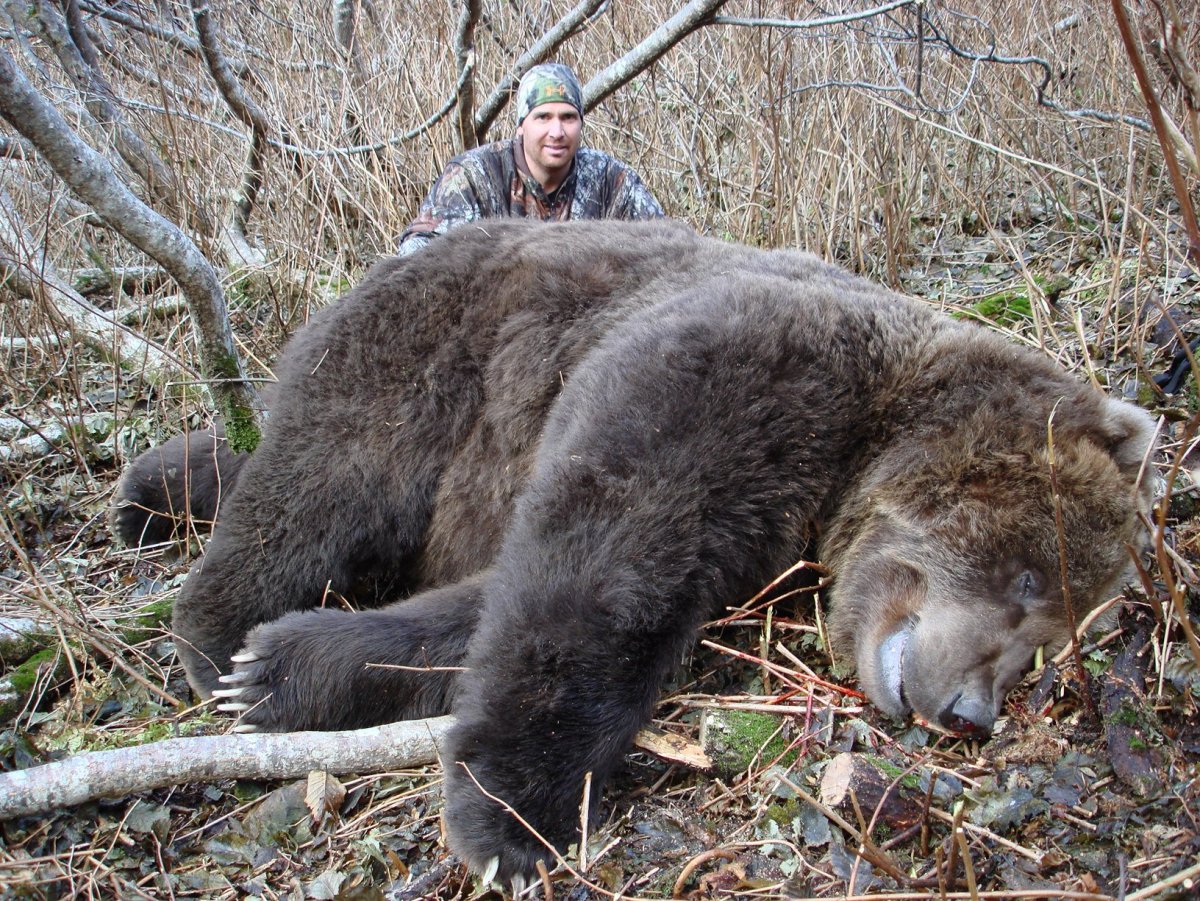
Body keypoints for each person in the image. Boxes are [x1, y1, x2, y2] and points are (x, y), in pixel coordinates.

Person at [397, 63, 664, 254]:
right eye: (543, 117)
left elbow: (665, 243)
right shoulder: (475, 176)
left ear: (580, 123)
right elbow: (420, 249)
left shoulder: (611, 181)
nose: (557, 132)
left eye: (568, 118)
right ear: (521, 126)